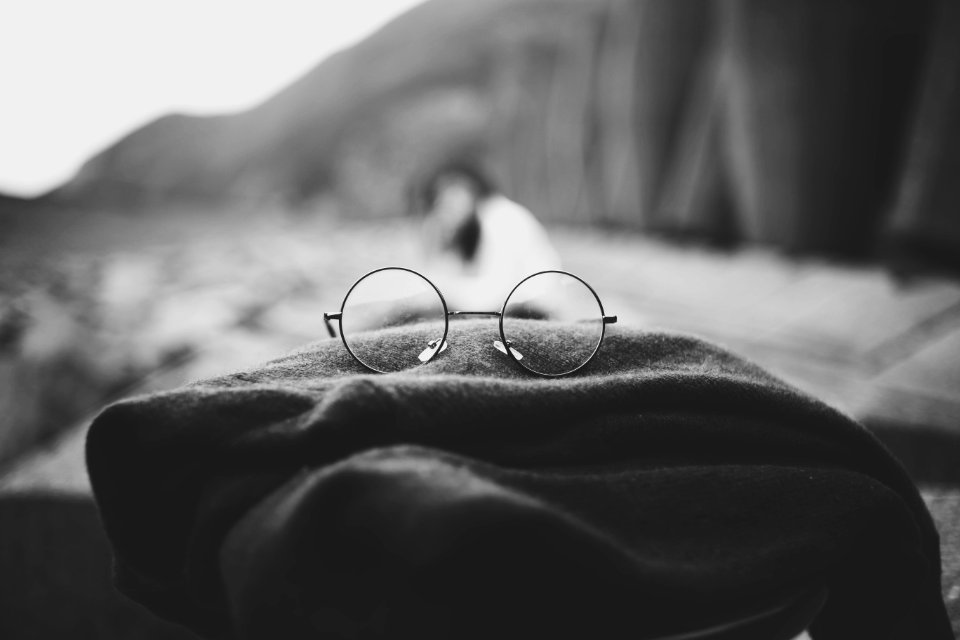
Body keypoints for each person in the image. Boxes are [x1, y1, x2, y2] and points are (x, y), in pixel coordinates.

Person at [414, 162, 562, 309]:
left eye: (448, 197)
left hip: (529, 313)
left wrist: (438, 291)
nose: (442, 207)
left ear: (469, 190)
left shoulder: (502, 217)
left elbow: (493, 294)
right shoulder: (476, 225)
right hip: (511, 312)